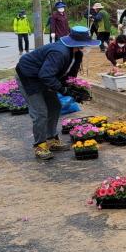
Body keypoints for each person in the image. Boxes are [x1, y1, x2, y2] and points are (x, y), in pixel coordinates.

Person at [15, 26, 100, 160]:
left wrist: (75, 90)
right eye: (85, 43)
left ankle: (51, 139)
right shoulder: (60, 53)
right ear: (78, 42)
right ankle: (40, 145)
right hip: (29, 76)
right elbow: (46, 76)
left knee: (55, 106)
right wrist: (63, 90)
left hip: (44, 76)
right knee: (40, 112)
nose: (87, 46)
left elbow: (70, 76)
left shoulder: (77, 54)